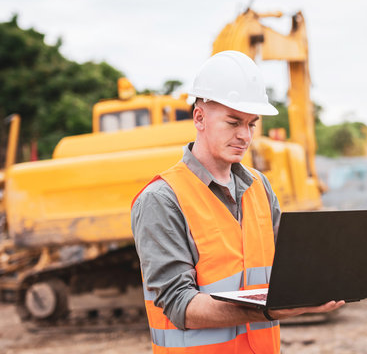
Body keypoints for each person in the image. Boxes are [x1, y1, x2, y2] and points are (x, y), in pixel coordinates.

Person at [131, 50, 344, 354]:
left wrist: (322, 279)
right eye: (233, 122)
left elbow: (286, 270)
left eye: (251, 124)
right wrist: (273, 309)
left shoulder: (260, 187)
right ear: (199, 117)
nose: (244, 135)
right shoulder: (162, 199)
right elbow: (180, 305)